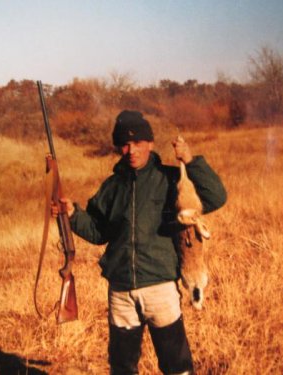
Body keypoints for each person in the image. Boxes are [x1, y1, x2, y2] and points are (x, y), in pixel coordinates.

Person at [57, 110, 227, 375]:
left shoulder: (170, 179)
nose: (131, 150)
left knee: (177, 367)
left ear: (150, 143)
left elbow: (215, 196)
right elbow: (98, 231)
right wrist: (73, 215)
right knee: (122, 367)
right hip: (121, 291)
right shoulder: (113, 186)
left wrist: (191, 161)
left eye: (137, 143)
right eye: (125, 144)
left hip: (160, 287)